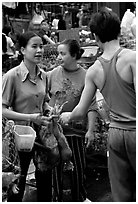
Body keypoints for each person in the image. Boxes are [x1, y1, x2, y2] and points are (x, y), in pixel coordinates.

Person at [60, 8, 136, 202]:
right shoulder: (131, 58)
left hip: (115, 134)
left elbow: (79, 112)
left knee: (122, 193)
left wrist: (65, 116)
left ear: (95, 36)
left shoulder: (93, 70)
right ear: (119, 31)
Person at [2, 31, 56, 201]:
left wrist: (49, 111)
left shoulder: (44, 75)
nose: (39, 50)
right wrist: (31, 118)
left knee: (45, 177)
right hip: (21, 136)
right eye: (34, 46)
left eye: (41, 46)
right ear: (23, 50)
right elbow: (2, 110)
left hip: (42, 133)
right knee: (19, 178)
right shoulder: (12, 76)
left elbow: (44, 102)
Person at [47, 39, 98, 201]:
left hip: (75, 132)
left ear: (74, 55)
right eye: (58, 53)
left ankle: (80, 198)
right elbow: (43, 98)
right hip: (54, 133)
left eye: (63, 53)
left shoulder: (86, 76)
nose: (59, 57)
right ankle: (56, 199)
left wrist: (90, 130)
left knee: (77, 170)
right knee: (55, 172)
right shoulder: (52, 74)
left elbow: (91, 105)